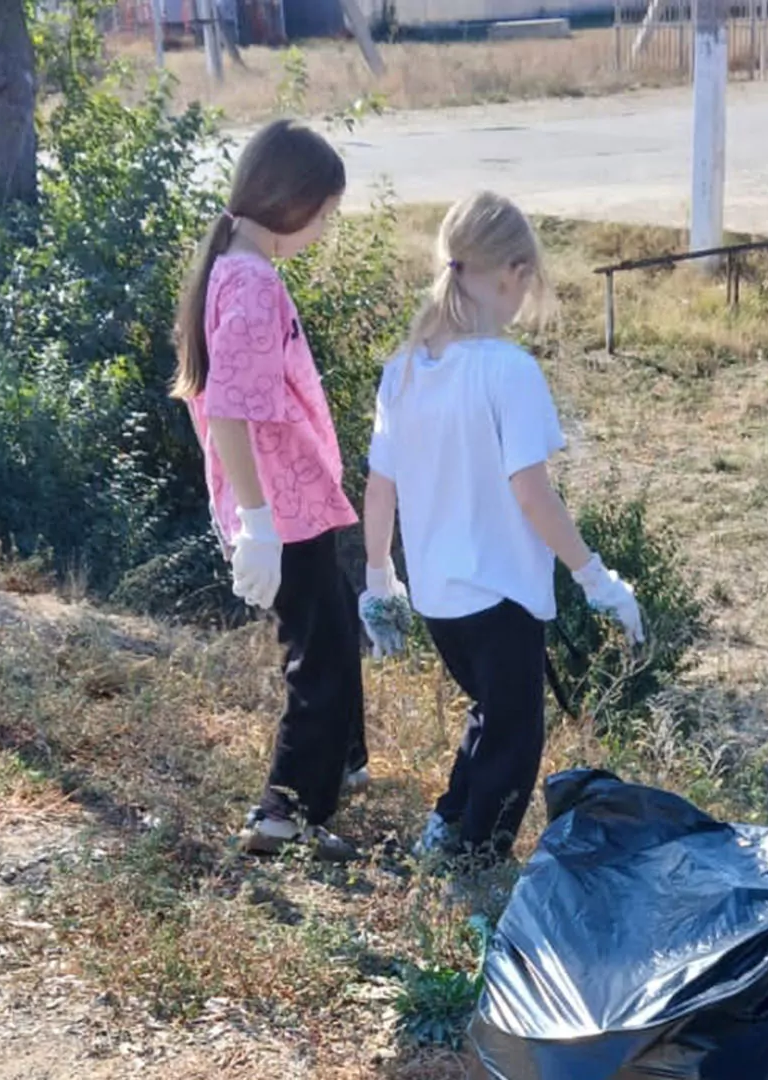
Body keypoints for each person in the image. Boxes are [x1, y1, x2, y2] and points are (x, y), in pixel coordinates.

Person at [358, 192, 645, 866]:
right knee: (515, 739)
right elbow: (532, 495)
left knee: (490, 712)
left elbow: (379, 487)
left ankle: (449, 821)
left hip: (437, 599)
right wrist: (595, 578)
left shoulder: (403, 370)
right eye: (527, 283)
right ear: (511, 274)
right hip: (501, 595)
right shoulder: (508, 371)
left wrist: (379, 579)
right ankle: (474, 865)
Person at [171, 119, 368, 862]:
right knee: (316, 657)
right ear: (293, 202)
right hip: (282, 508)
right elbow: (229, 410)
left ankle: (338, 765)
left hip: (290, 501)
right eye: (326, 212)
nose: (325, 227)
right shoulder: (250, 283)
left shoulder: (233, 264)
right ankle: (285, 810)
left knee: (332, 631)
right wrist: (256, 524)